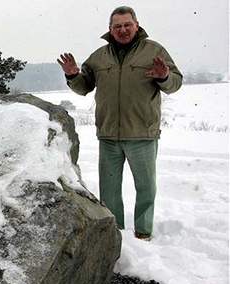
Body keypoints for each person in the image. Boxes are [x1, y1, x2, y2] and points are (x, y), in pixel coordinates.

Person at [57, 6, 182, 240]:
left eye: (127, 25)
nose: (123, 30)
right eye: (118, 26)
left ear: (136, 25)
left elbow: (175, 83)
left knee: (146, 188)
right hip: (108, 136)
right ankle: (113, 236)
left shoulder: (154, 51)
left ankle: (143, 233)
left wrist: (164, 76)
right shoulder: (99, 56)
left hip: (142, 134)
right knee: (109, 190)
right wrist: (73, 75)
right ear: (110, 29)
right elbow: (84, 87)